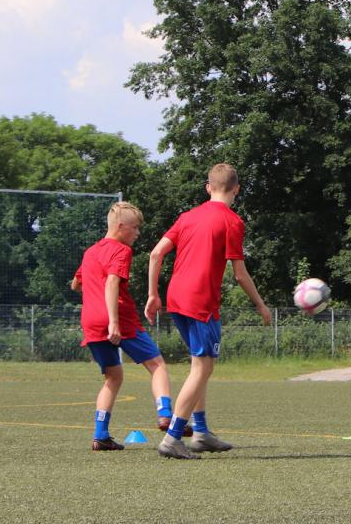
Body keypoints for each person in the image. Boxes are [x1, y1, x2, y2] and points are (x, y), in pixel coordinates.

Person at [145, 163, 272, 459]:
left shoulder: (187, 217)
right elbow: (240, 274)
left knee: (197, 367)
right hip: (200, 301)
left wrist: (153, 294)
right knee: (204, 368)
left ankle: (200, 433)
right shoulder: (232, 222)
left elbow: (155, 253)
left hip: (176, 297)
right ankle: (174, 437)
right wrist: (261, 305)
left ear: (208, 187)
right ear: (237, 189)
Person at [72, 201, 188, 451]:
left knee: (112, 377)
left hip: (90, 320)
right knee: (156, 364)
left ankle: (100, 435)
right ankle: (165, 414)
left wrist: (89, 287)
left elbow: (76, 283)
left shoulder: (90, 252)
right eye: (135, 228)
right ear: (121, 226)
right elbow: (112, 282)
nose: (137, 233)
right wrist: (113, 321)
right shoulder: (121, 250)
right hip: (117, 318)